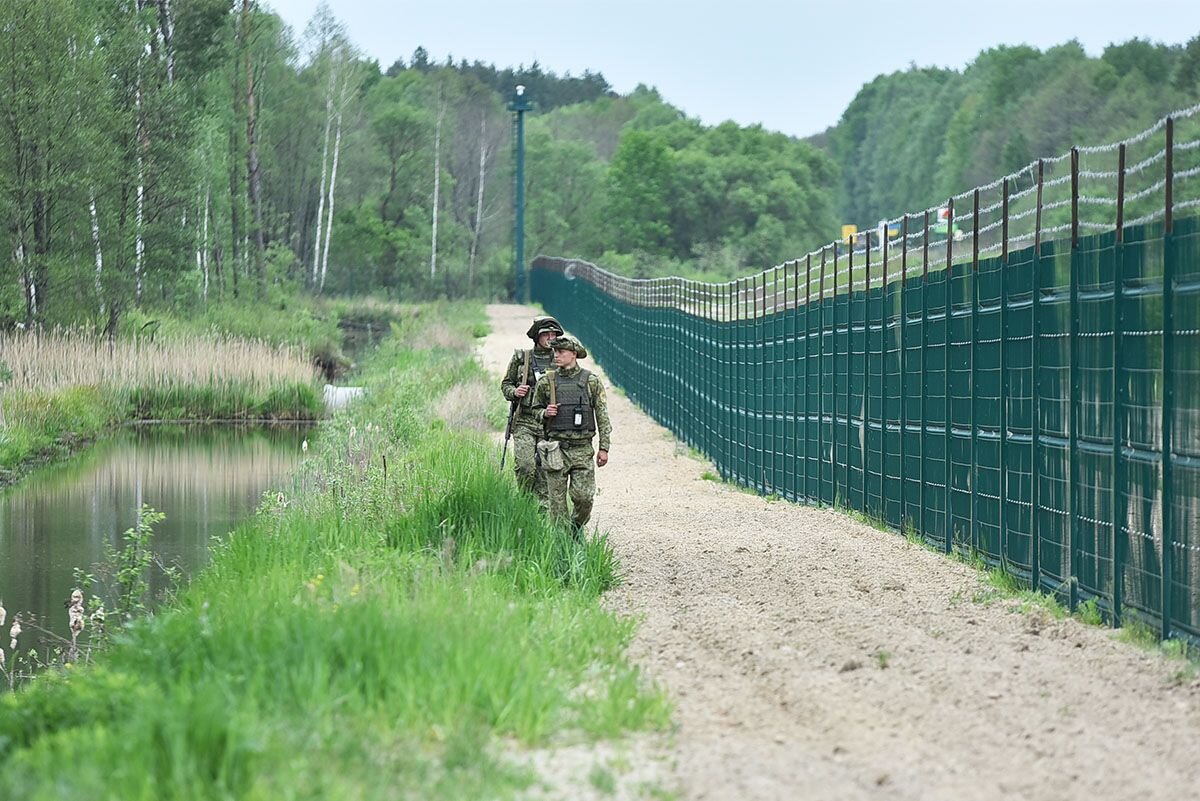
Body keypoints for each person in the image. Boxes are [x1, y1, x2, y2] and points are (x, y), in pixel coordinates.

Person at [530, 334, 611, 535]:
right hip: (555, 448)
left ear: (573, 354)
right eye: (554, 351)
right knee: (556, 504)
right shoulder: (546, 382)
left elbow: (602, 416)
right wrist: (544, 413)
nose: (556, 355)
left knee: (584, 499)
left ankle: (575, 528)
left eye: (561, 352)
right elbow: (534, 409)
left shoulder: (590, 381)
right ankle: (562, 544)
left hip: (582, 449)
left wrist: (604, 447)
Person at [500, 315, 564, 506]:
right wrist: (515, 391)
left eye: (554, 334)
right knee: (526, 466)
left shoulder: (561, 358)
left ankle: (543, 511)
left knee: (546, 469)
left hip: (550, 423)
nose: (550, 338)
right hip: (525, 421)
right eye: (546, 334)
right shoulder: (522, 358)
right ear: (537, 336)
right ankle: (525, 503)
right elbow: (505, 385)